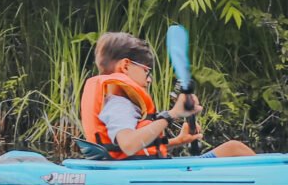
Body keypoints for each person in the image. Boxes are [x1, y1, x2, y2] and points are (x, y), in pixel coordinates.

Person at [77, 31, 255, 159]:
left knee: (234, 148)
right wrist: (171, 115)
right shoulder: (118, 105)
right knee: (234, 148)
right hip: (145, 177)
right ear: (125, 66)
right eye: (146, 71)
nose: (149, 80)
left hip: (144, 173)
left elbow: (129, 147)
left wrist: (178, 141)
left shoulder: (118, 103)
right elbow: (129, 145)